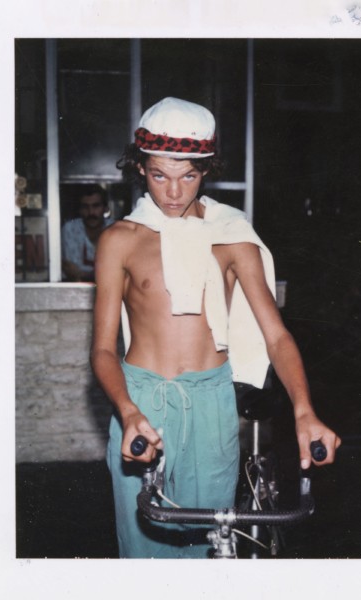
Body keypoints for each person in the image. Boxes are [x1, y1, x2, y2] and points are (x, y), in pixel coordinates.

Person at [91, 97, 341, 559]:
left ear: (206, 170)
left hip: (212, 404)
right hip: (142, 399)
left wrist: (304, 410)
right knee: (143, 554)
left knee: (213, 545)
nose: (174, 192)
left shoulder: (231, 235)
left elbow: (276, 336)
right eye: (159, 175)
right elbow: (104, 350)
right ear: (140, 167)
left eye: (189, 176)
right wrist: (127, 412)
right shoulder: (119, 240)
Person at [61, 184, 114, 282]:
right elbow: (71, 270)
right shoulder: (70, 229)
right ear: (80, 210)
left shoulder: (114, 229)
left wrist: (83, 274)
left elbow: (116, 272)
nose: (91, 212)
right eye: (85, 207)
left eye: (96, 206)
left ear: (105, 208)